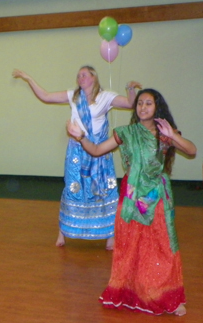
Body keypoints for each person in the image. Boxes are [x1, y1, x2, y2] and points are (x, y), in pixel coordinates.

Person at [67, 89, 196, 316]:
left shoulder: (164, 133)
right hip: (131, 197)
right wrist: (80, 137)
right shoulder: (126, 133)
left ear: (157, 107)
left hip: (155, 198)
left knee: (161, 247)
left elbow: (192, 150)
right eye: (139, 103)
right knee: (131, 246)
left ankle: (169, 298)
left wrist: (172, 135)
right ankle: (132, 292)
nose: (143, 107)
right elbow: (96, 150)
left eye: (148, 103)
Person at [13, 66, 141, 250]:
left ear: (93, 78)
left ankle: (109, 235)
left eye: (84, 74)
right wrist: (28, 78)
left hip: (99, 151)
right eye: (78, 75)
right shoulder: (74, 95)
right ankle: (63, 232)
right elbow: (46, 96)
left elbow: (130, 104)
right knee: (73, 188)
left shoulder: (105, 97)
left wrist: (130, 90)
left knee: (104, 189)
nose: (80, 77)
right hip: (76, 151)